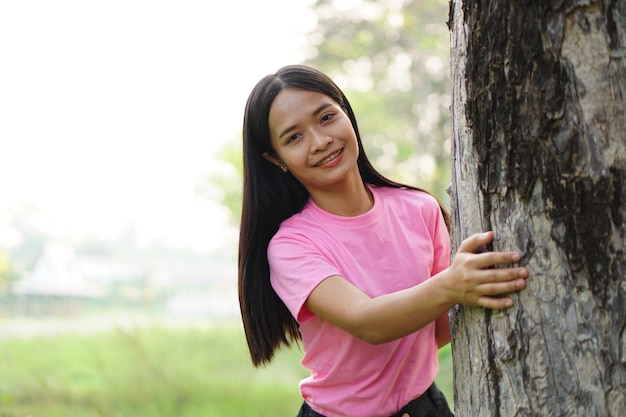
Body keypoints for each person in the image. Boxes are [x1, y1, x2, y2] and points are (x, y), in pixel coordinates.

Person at [238, 65, 529, 417]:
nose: (320, 141)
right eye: (293, 137)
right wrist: (453, 285)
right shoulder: (291, 246)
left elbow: (438, 329)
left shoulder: (419, 208)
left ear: (346, 111)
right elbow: (367, 322)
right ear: (275, 159)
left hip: (426, 408)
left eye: (327, 117)